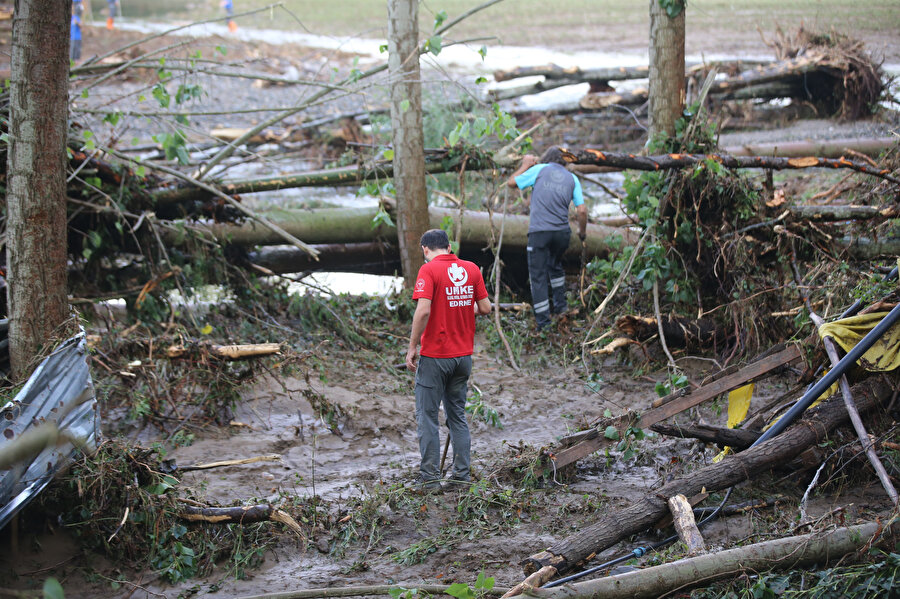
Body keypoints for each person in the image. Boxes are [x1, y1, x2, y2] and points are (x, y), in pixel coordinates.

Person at [406, 229, 491, 492]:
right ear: (449, 246)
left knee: (427, 417)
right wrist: (462, 306)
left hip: (435, 358)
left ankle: (430, 480)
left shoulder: (429, 270)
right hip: (463, 358)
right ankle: (461, 477)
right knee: (457, 417)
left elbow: (423, 310)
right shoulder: (472, 269)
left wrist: (412, 346)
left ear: (425, 250)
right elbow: (486, 307)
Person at [507, 146, 587, 329]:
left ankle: (544, 323)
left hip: (539, 233)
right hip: (562, 234)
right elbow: (581, 210)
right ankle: (561, 309)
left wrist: (525, 165)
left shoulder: (539, 170)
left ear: (546, 159)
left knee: (538, 275)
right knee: (555, 267)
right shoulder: (572, 178)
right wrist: (582, 233)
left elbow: (511, 183)